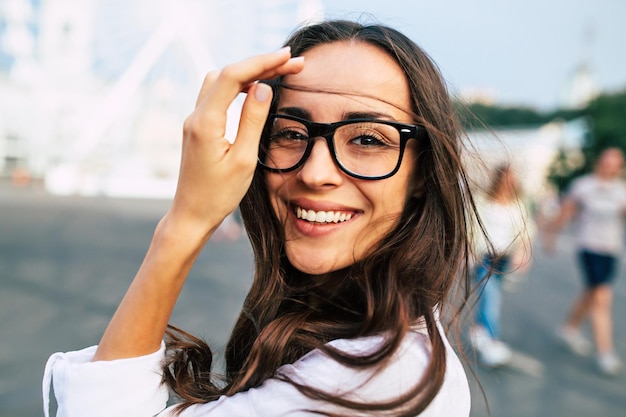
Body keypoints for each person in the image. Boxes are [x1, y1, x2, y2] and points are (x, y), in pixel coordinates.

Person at [43, 20, 480, 416]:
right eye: (290, 133)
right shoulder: (385, 347)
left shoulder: (380, 381)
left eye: (367, 139)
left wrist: (185, 225)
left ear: (423, 172)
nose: (315, 172)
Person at [546, 147, 625, 376]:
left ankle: (568, 329)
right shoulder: (583, 186)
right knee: (601, 298)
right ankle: (605, 353)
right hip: (589, 248)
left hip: (611, 251)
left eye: (615, 164)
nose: (610, 167)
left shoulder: (622, 190)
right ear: (599, 163)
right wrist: (551, 236)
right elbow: (566, 213)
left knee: (590, 294)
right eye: (607, 162)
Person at [469, 164, 534, 367]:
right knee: (491, 297)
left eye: (511, 179)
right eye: (505, 178)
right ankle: (492, 341)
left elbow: (526, 231)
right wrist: (468, 250)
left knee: (490, 296)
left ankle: (479, 332)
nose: (508, 183)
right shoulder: (482, 200)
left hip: (505, 257)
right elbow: (469, 225)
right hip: (484, 256)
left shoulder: (519, 204)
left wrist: (524, 253)